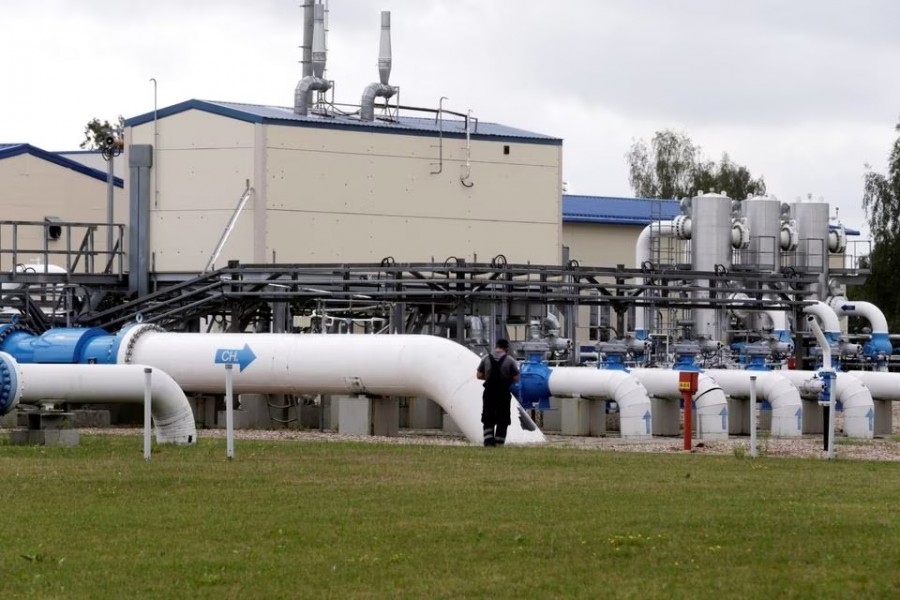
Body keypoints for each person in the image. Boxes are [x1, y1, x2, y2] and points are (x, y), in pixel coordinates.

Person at [476, 338, 520, 447]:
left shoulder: (486, 358)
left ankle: (488, 442)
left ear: (496, 346)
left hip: (489, 393)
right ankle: (499, 443)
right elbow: (516, 377)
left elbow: (478, 375)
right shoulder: (510, 360)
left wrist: (488, 377)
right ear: (506, 348)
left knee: (488, 416)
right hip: (503, 393)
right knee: (502, 418)